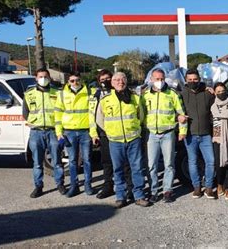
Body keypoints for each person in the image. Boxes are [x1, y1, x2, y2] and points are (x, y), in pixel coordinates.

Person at [91, 72, 150, 208]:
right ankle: (120, 197)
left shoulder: (135, 98)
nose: (120, 82)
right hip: (115, 141)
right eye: (116, 80)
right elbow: (99, 120)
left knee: (137, 169)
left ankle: (139, 195)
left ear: (126, 81)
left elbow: (140, 116)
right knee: (117, 169)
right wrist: (111, 131)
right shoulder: (105, 100)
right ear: (112, 83)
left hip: (133, 139)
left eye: (122, 79)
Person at [141, 68, 187, 203]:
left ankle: (167, 190)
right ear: (151, 80)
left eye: (162, 79)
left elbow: (181, 113)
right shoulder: (144, 95)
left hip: (168, 133)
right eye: (157, 79)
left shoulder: (172, 93)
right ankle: (154, 191)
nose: (159, 82)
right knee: (151, 165)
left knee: (169, 164)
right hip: (151, 134)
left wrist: (183, 131)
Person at [89, 69, 133, 200]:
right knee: (107, 162)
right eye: (102, 80)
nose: (105, 82)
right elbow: (92, 115)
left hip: (121, 134)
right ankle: (108, 186)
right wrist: (93, 134)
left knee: (125, 163)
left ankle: (129, 187)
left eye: (108, 79)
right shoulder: (95, 95)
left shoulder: (121, 92)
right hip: (104, 134)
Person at [23, 68, 66, 198]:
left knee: (57, 161)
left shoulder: (57, 93)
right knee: (37, 162)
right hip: (36, 132)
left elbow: (62, 112)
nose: (43, 79)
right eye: (40, 76)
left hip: (53, 131)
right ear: (36, 78)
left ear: (50, 78)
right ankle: (38, 186)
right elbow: (25, 114)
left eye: (46, 76)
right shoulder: (29, 94)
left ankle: (60, 184)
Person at [54, 71, 94, 197]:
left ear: (81, 80)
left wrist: (93, 133)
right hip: (69, 132)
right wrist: (59, 132)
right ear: (68, 82)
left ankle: (88, 184)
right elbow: (58, 114)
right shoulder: (62, 95)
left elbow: (91, 114)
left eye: (77, 80)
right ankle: (74, 185)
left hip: (85, 131)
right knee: (72, 160)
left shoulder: (88, 93)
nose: (75, 83)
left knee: (87, 160)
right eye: (72, 80)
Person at [179, 69, 216, 199]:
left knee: (210, 161)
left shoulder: (207, 93)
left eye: (195, 79)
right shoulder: (181, 95)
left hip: (206, 134)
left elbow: (216, 108)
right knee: (192, 162)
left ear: (199, 79)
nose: (192, 82)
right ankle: (196, 188)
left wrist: (214, 91)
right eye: (190, 80)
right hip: (190, 134)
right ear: (186, 80)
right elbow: (175, 111)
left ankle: (209, 187)